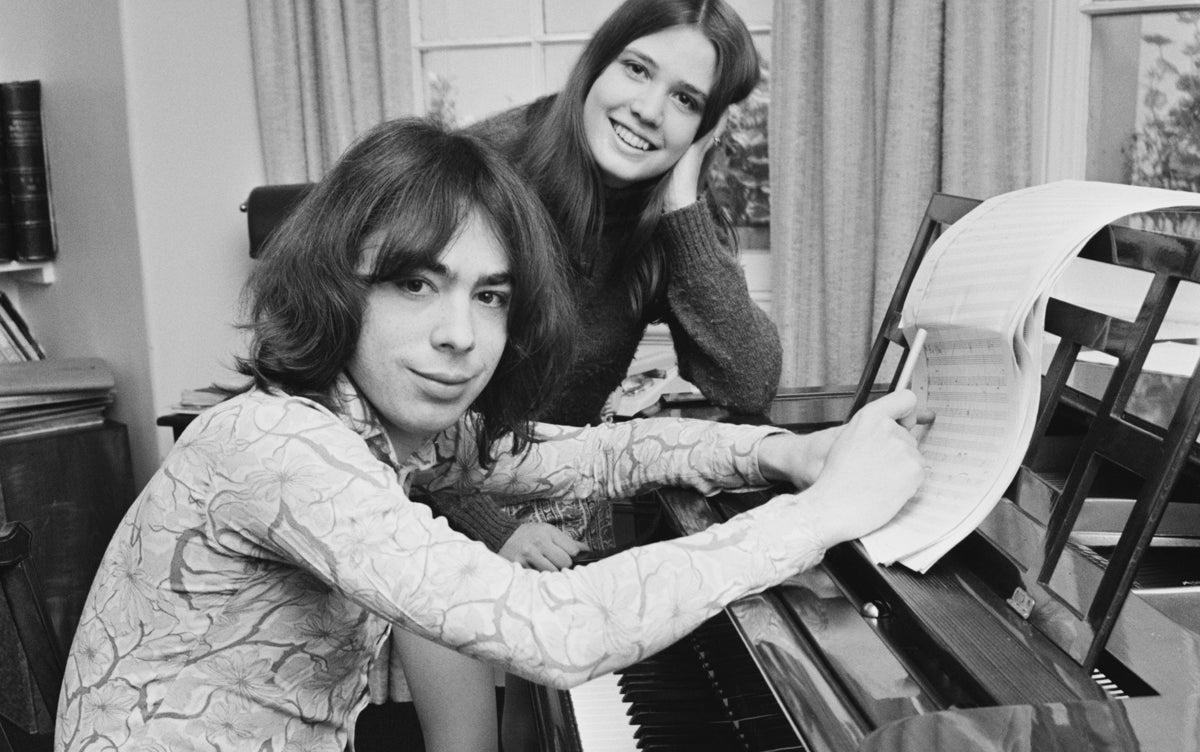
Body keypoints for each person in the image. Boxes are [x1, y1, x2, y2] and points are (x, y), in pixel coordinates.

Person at [54, 117, 925, 751]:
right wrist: (824, 514)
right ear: (336, 284)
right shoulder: (278, 447)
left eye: (489, 296)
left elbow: (594, 453)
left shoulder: (383, 428)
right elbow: (557, 633)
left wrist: (785, 452)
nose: (460, 336)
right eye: (416, 284)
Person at [403, 0, 784, 750]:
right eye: (637, 70)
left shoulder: (669, 216)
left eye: (685, 101)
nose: (648, 108)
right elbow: (385, 403)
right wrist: (487, 524)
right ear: (598, 64)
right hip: (417, 497)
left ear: (705, 130)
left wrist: (681, 203)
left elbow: (747, 381)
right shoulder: (484, 171)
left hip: (552, 490)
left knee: (548, 728)